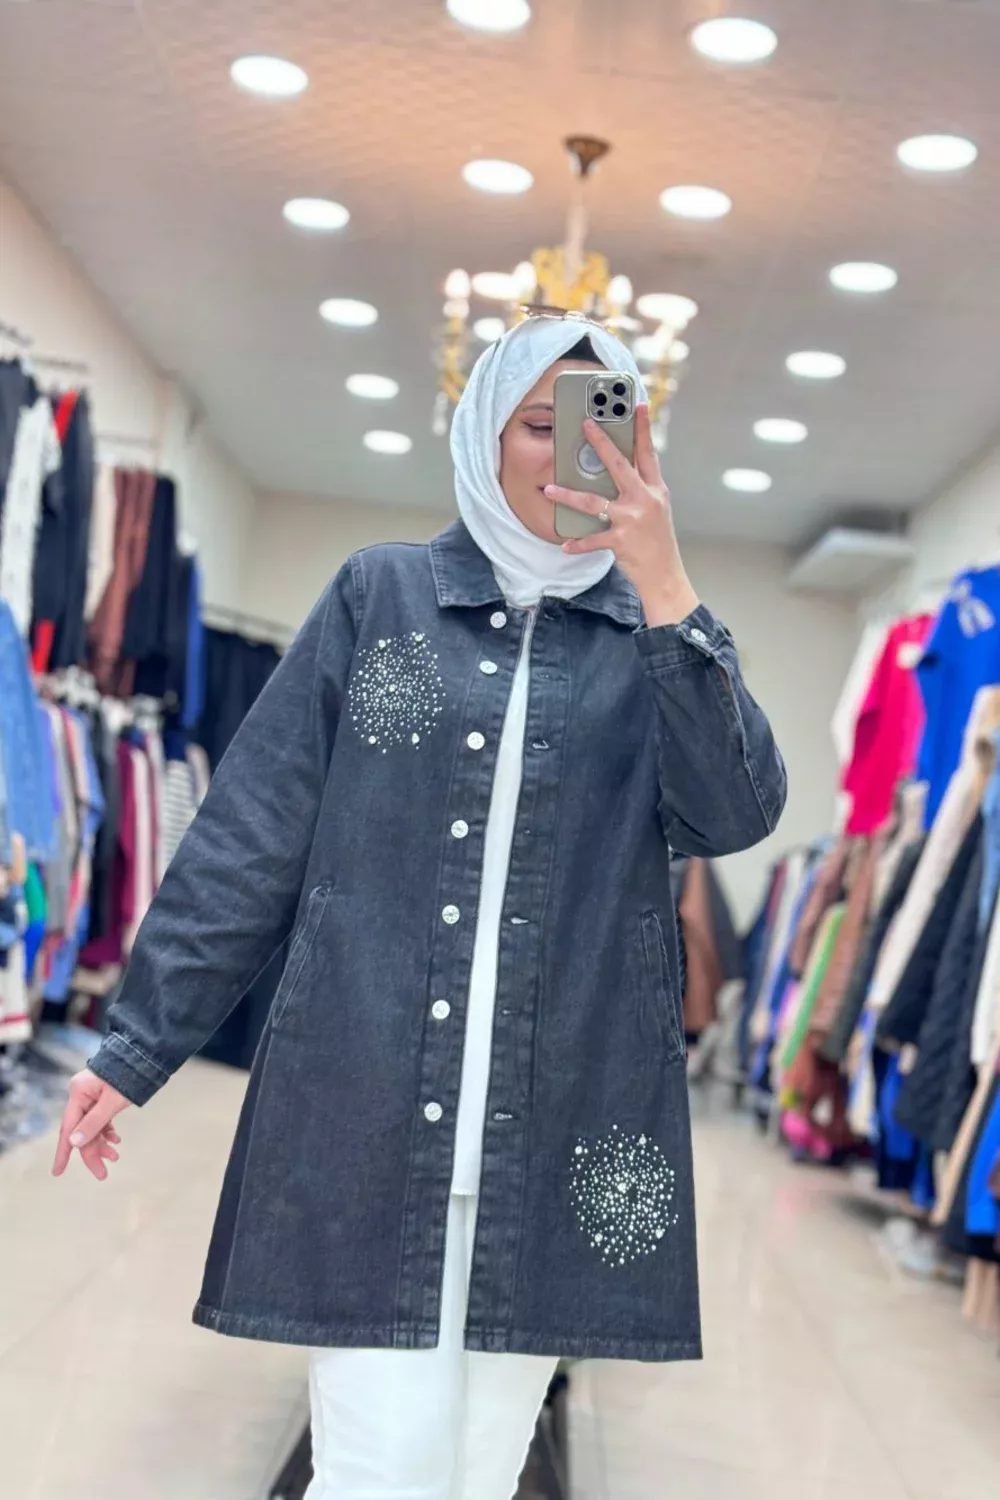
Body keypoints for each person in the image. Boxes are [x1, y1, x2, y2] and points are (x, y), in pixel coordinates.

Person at [53, 315, 786, 1499]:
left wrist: (665, 586)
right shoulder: (382, 595)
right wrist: (138, 1045)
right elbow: (252, 834)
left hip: (562, 1131)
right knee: (377, 1473)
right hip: (367, 1110)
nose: (570, 455)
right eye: (538, 425)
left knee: (479, 1477)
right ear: (483, 432)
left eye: (602, 429)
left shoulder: (658, 642)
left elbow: (734, 813)